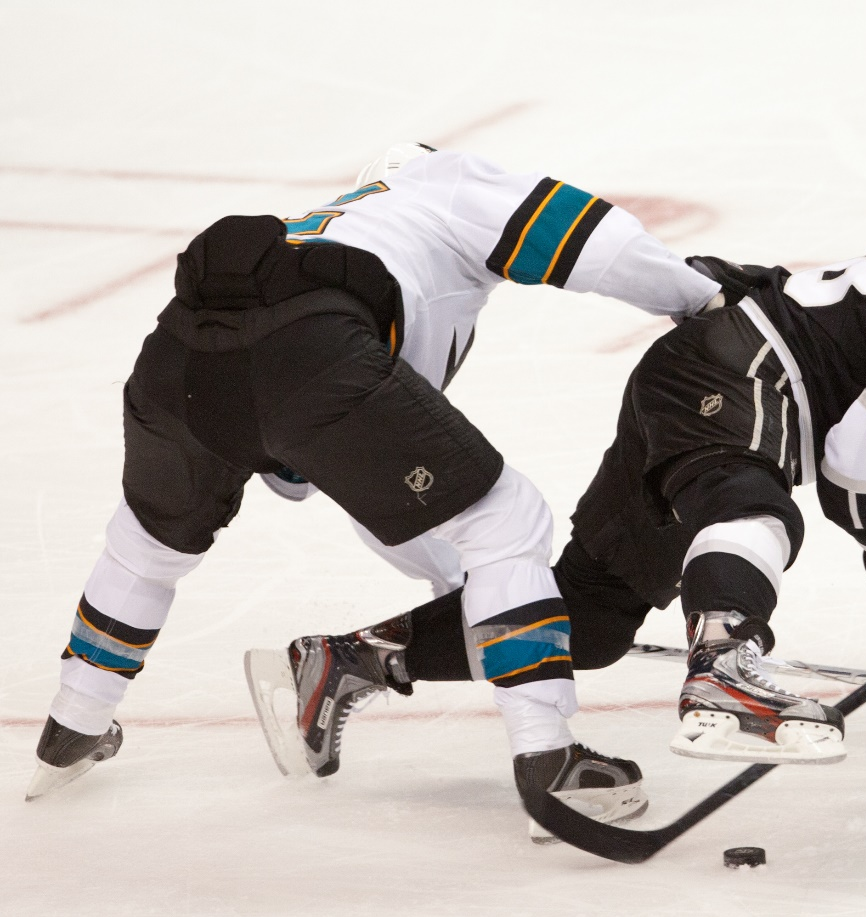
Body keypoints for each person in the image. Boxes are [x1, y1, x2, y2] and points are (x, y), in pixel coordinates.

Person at [282, 230, 866, 770]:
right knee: (755, 509)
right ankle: (726, 665)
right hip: (742, 378)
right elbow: (858, 470)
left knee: (599, 617)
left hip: (701, 366)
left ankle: (351, 659)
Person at [27, 143, 723, 837]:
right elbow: (588, 239)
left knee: (145, 546)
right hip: (306, 350)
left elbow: (376, 487)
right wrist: (704, 299)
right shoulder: (444, 180)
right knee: (507, 517)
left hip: (179, 352)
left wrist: (486, 597)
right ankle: (549, 758)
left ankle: (73, 725)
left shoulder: (352, 221)